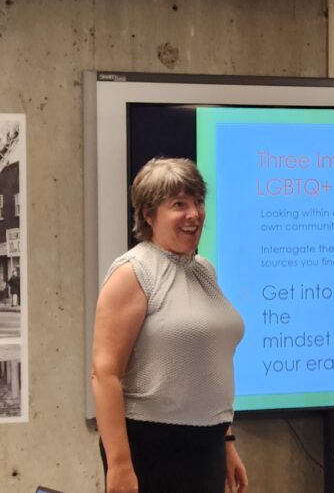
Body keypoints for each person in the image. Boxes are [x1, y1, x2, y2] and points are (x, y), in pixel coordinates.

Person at [91, 157, 248, 493]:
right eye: (179, 204)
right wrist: (119, 466)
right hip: (152, 445)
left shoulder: (203, 269)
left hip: (206, 445)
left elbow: (206, 363)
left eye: (198, 202)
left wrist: (226, 443)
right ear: (149, 215)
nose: (194, 214)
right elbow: (104, 374)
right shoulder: (133, 272)